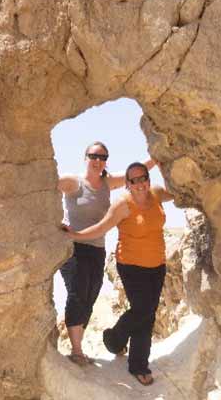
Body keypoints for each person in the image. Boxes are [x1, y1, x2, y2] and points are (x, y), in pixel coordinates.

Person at [63, 162, 173, 385]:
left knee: (147, 313)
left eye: (143, 178)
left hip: (157, 265)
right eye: (134, 180)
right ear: (128, 184)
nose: (140, 183)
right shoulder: (122, 204)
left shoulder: (157, 194)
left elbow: (176, 193)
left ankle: (122, 347)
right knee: (143, 310)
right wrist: (75, 235)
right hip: (131, 265)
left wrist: (162, 163)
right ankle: (125, 351)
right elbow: (102, 228)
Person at [57, 143, 154, 366]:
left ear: (106, 160)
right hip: (73, 247)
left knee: (91, 295)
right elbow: (45, 184)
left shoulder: (107, 184)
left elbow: (135, 173)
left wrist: (157, 159)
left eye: (102, 157)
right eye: (93, 156)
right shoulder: (73, 182)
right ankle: (77, 351)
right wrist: (56, 221)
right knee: (77, 292)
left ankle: (78, 348)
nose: (97, 160)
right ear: (85, 157)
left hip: (97, 249)